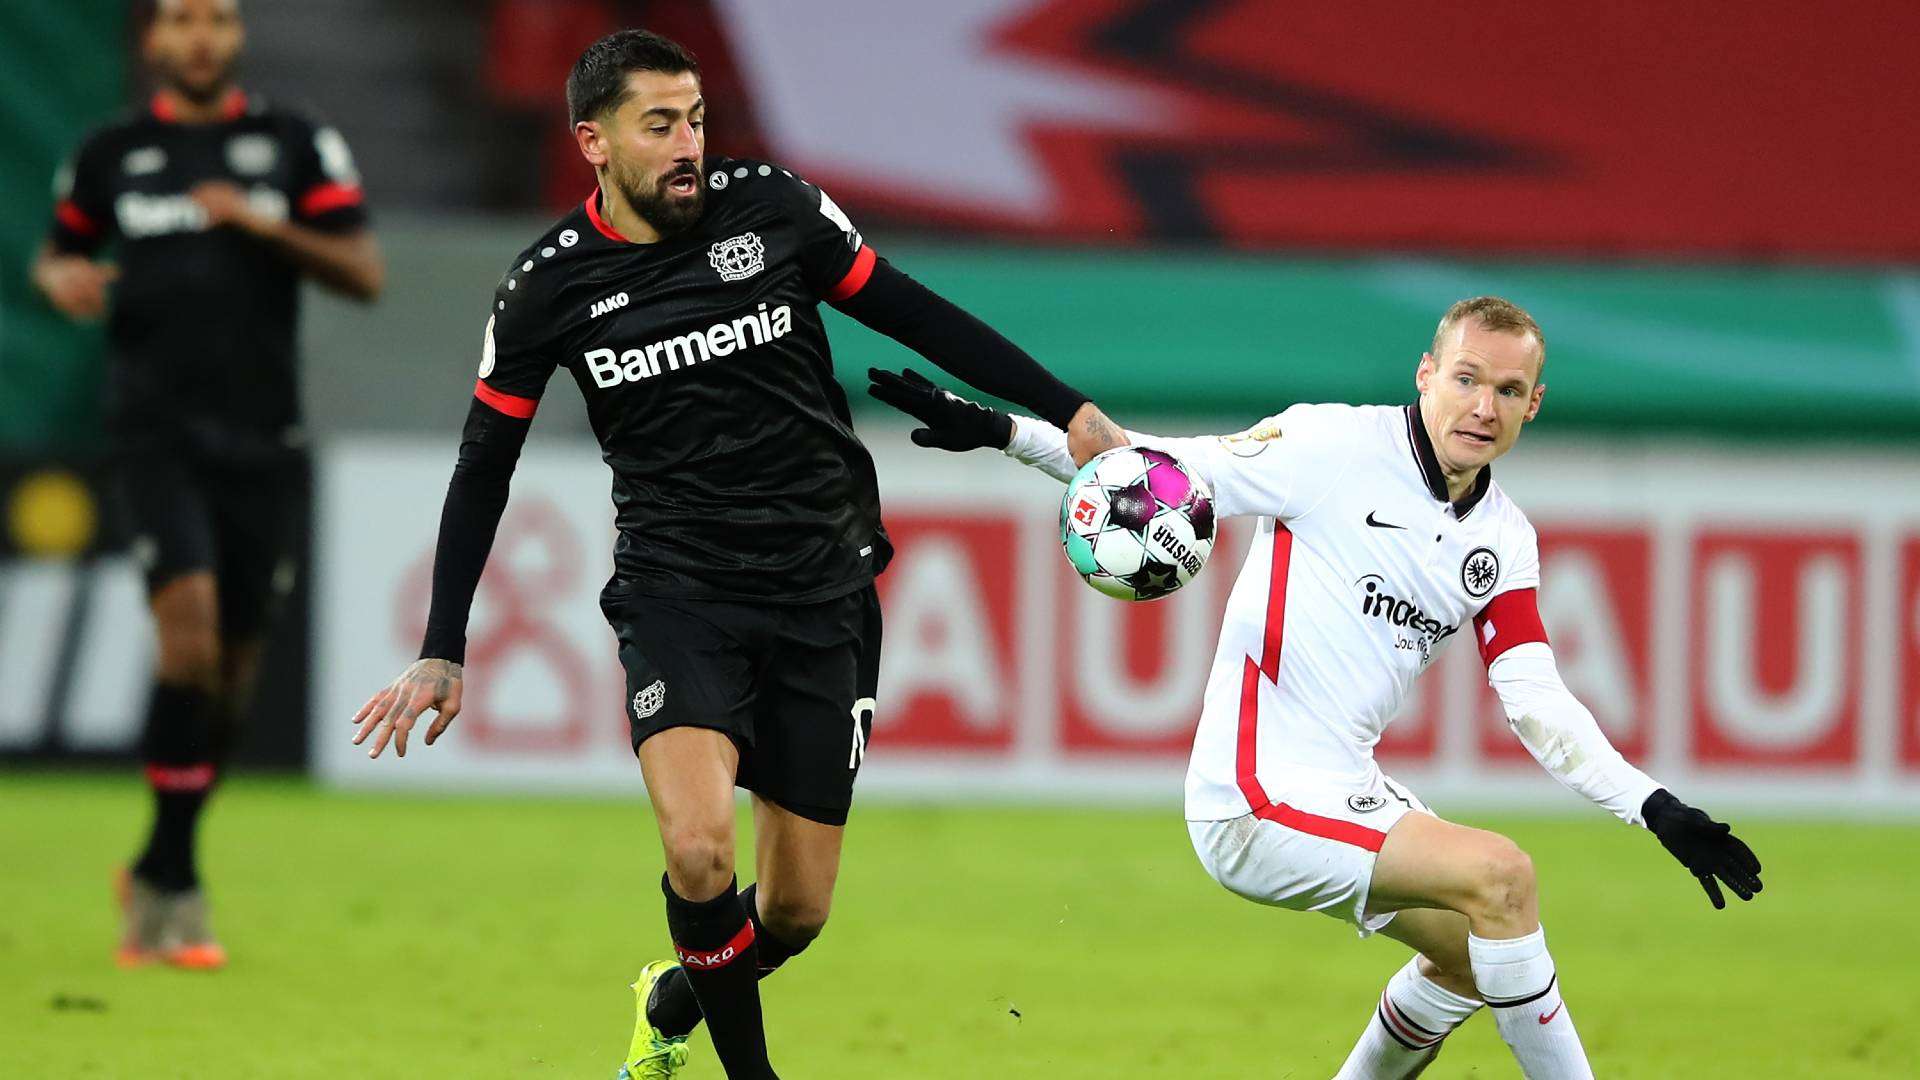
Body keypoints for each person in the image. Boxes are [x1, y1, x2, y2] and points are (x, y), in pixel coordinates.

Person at [346, 28, 1119, 1080]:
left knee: (794, 914)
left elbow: (918, 313)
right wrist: (443, 645)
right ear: (593, 141)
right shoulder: (545, 289)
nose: (687, 145)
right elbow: (486, 464)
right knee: (698, 848)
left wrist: (1068, 412)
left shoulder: (776, 212)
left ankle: (673, 999)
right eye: (659, 124)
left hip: (824, 589)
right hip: (679, 594)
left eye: (697, 120)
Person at [867, 296, 1763, 1078]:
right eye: (1465, 378)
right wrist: (1004, 433)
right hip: (1251, 793)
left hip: (1345, 784)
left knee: (1468, 955)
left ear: (1535, 403)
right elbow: (1153, 469)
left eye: (1506, 390)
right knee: (1504, 879)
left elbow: (1533, 699)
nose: (1481, 406)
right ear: (1426, 374)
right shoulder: (1330, 443)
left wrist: (1653, 806)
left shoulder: (1505, 539)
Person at [34, 0, 383, 970]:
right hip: (154, 437)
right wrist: (62, 276)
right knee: (185, 643)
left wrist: (264, 227)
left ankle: (157, 857)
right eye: (182, 19)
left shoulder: (293, 143)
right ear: (153, 38)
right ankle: (175, 896)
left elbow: (362, 270)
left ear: (234, 38)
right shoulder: (109, 153)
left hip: (261, 442)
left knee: (231, 675)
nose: (200, 36)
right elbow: (60, 250)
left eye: (218, 19)